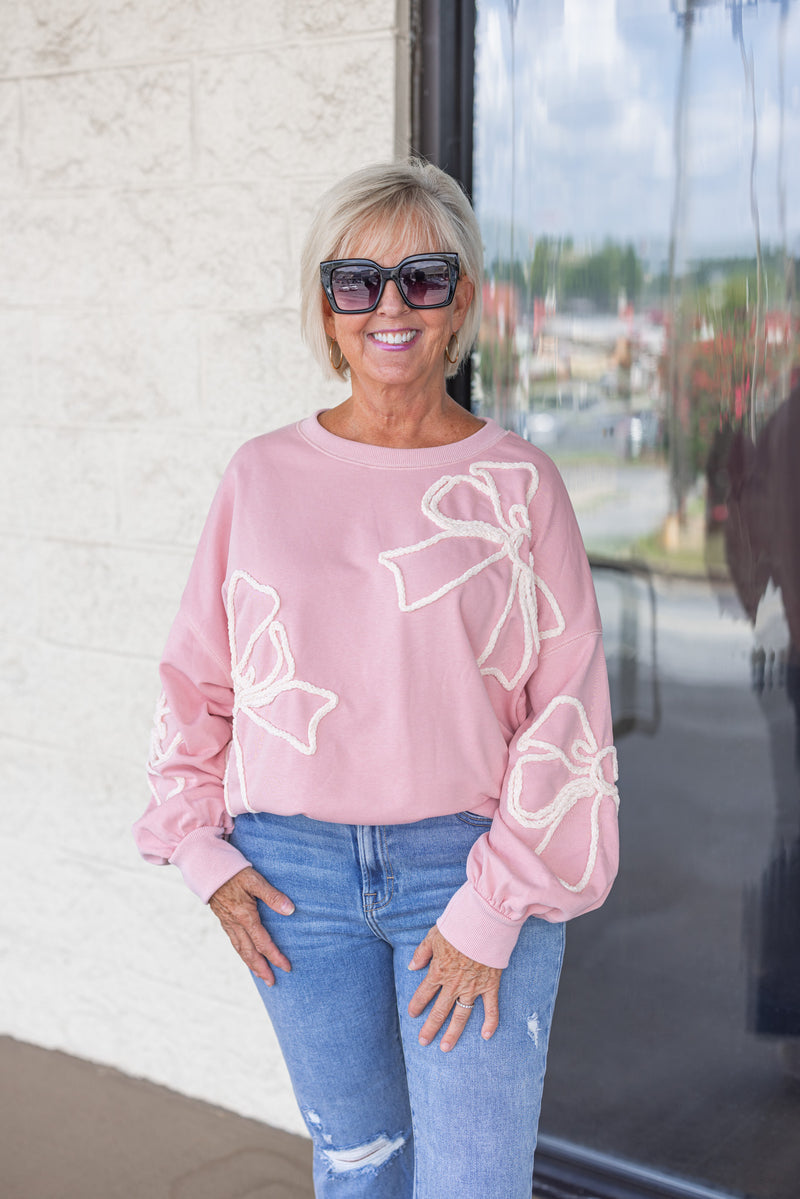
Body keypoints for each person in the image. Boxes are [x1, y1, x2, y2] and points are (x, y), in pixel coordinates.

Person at [134, 158, 620, 1198]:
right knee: (357, 1171)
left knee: (472, 1183)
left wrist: (490, 910)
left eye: (422, 278)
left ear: (461, 302)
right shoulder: (259, 475)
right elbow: (197, 678)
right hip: (290, 876)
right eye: (355, 281)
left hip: (474, 864)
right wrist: (197, 851)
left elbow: (566, 719)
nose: (388, 306)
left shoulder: (518, 483)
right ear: (326, 307)